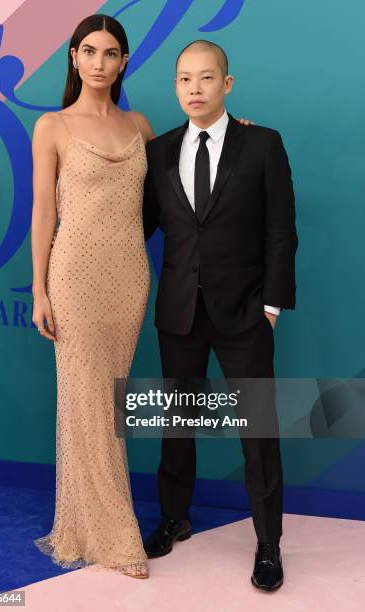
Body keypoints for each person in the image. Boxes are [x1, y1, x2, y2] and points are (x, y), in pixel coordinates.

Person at [142, 40, 298, 591]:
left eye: (206, 78)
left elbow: (281, 230)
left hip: (245, 313)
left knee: (258, 431)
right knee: (177, 424)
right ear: (175, 85)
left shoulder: (262, 144)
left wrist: (272, 304)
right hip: (179, 312)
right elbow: (137, 228)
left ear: (226, 84)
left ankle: (269, 544)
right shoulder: (158, 152)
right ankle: (173, 518)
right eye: (184, 79)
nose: (195, 89)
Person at [31, 14, 155, 579]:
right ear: (74, 59)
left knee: (109, 401)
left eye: (110, 53)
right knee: (87, 401)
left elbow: (181, 186)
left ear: (123, 61)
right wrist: (39, 287)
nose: (99, 63)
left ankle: (86, 523)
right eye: (89, 52)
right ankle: (116, 535)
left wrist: (234, 132)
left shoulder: (142, 126)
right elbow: (43, 213)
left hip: (129, 278)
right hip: (74, 276)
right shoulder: (52, 126)